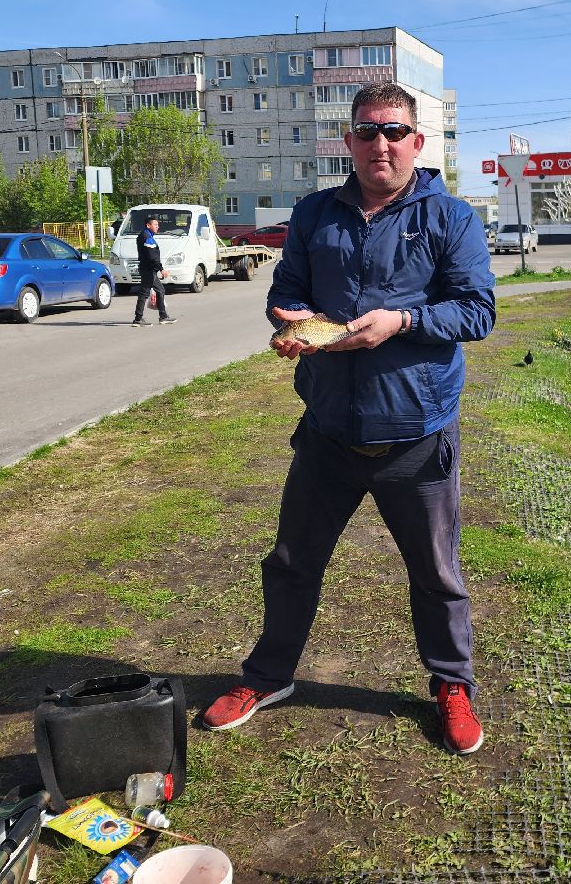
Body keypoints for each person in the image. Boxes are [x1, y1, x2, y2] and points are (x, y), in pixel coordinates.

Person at [201, 82, 496, 754]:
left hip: (416, 435)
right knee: (291, 563)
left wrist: (404, 321)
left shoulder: (451, 219)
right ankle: (268, 676)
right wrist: (295, 324)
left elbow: (477, 312)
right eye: (367, 131)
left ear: (418, 143)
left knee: (436, 574)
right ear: (349, 142)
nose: (380, 144)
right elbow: (286, 292)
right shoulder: (314, 214)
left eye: (394, 131)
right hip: (329, 430)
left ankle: (452, 685)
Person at [132, 215, 176, 325]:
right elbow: (152, 257)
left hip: (149, 269)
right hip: (148, 269)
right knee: (144, 293)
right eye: (155, 225)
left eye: (158, 225)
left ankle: (163, 316)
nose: (158, 227)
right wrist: (161, 269)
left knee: (160, 290)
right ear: (148, 225)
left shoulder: (146, 235)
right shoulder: (146, 237)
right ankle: (138, 319)